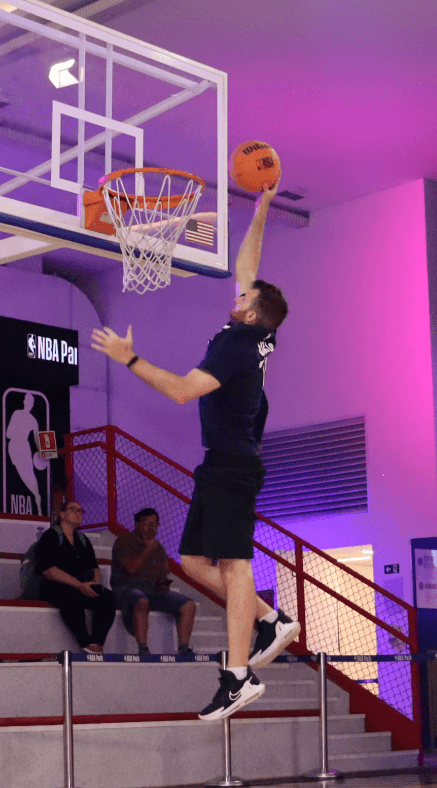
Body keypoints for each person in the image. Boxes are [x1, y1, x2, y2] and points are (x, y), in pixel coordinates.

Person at [92, 183, 300, 720]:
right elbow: (248, 267)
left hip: (233, 466)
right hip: (222, 464)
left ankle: (237, 677)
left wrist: (130, 359)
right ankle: (269, 622)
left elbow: (184, 390)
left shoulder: (236, 343)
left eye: (244, 300)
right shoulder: (261, 335)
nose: (237, 297)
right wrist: (259, 210)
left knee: (233, 565)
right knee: (190, 561)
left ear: (253, 315)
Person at [111, 508, 196, 655]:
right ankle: (143, 648)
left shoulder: (159, 548)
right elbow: (131, 569)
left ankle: (184, 648)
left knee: (188, 605)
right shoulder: (124, 541)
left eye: (154, 523)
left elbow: (161, 575)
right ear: (137, 524)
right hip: (127, 586)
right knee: (141, 600)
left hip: (153, 590)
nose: (151, 527)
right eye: (146, 523)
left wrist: (163, 583)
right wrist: (147, 550)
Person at [36, 501, 116, 653]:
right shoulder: (51, 535)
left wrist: (94, 583)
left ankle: (97, 642)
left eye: (81, 510)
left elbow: (94, 568)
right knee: (72, 598)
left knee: (108, 598)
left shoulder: (83, 539)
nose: (78, 513)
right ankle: (85, 643)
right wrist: (79, 585)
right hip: (54, 584)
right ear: (62, 514)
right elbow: (48, 570)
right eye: (73, 509)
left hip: (81, 584)